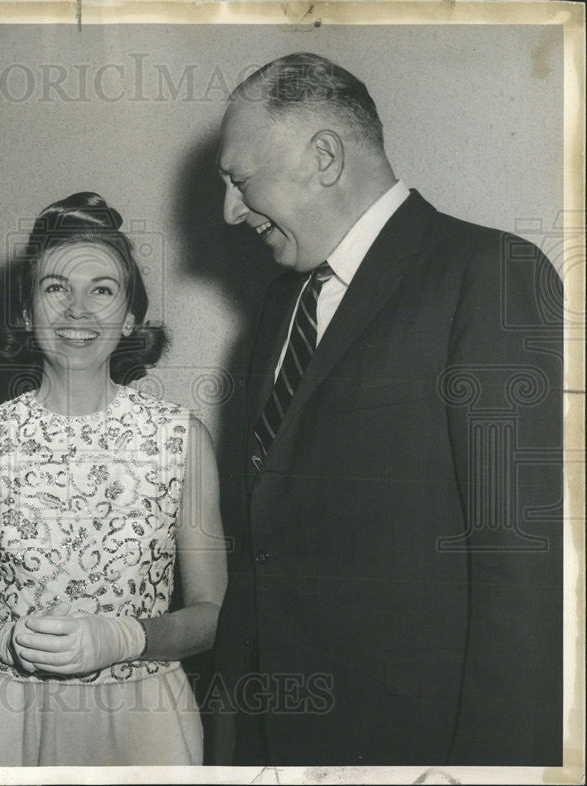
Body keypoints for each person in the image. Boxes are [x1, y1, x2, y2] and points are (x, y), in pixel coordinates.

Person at [211, 52, 563, 766]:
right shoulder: (281, 305)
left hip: (414, 747)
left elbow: (520, 566)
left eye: (240, 181)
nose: (229, 212)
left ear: (325, 158)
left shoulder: (490, 275)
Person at [0, 192, 228, 766]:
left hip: (145, 722)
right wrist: (0, 643)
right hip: (3, 717)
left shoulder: (181, 441)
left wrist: (129, 637)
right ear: (24, 312)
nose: (78, 311)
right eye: (56, 288)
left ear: (132, 316)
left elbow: (213, 613)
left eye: (103, 290)